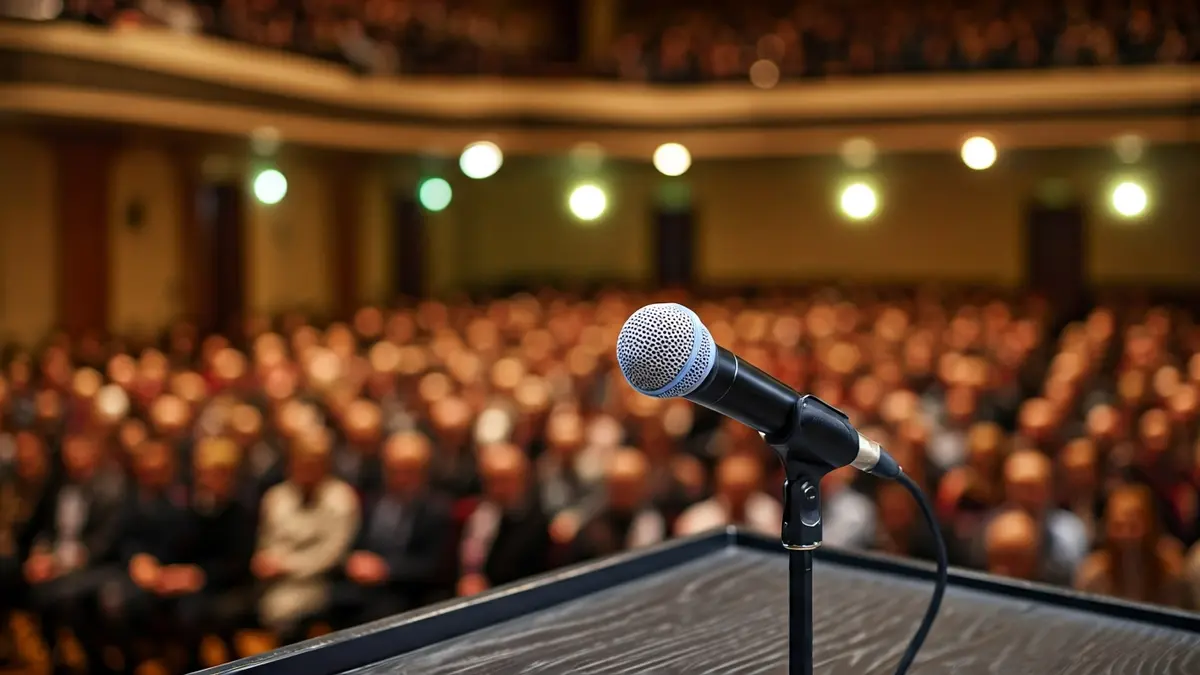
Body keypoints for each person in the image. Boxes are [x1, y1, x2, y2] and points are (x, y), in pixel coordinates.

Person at [26, 434, 126, 675]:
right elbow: (45, 529)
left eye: (80, 449)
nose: (74, 456)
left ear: (94, 452)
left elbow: (103, 544)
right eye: (69, 450)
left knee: (63, 598)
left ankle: (98, 662)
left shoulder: (111, 487)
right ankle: (57, 659)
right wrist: (39, 553)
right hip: (58, 562)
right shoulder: (58, 485)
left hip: (96, 566)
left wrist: (57, 562)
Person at [252, 428, 360, 642]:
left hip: (320, 581)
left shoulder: (341, 498)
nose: (305, 471)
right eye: (300, 464)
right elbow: (266, 542)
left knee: (287, 615)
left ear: (325, 466)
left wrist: (285, 566)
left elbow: (331, 554)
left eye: (312, 465)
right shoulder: (276, 496)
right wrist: (266, 561)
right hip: (273, 581)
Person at [338, 431, 452, 624]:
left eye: (407, 471)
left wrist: (386, 569)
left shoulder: (437, 509)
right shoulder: (375, 501)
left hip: (407, 592)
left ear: (423, 471)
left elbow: (434, 566)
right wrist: (354, 559)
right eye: (392, 470)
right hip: (364, 587)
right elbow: (358, 542)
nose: (399, 478)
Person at [458, 444, 550, 596]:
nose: (498, 488)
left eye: (505, 480)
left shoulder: (536, 522)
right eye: (491, 480)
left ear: (523, 479)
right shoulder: (481, 515)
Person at [567, 448, 666, 562]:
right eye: (617, 486)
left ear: (642, 486)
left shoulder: (652, 521)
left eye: (629, 486)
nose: (622, 492)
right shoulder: (591, 524)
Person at [675, 454, 781, 538]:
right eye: (733, 490)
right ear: (719, 486)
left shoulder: (769, 512)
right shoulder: (696, 520)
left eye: (744, 490)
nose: (738, 496)